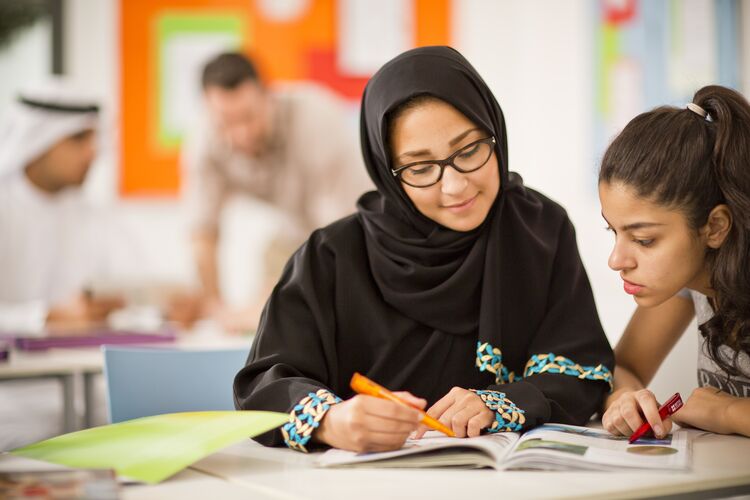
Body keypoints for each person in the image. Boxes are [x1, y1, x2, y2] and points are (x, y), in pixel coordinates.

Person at [234, 46, 614, 453]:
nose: (455, 186)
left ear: (494, 132)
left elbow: (579, 368)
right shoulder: (330, 257)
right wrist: (331, 421)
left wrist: (499, 403)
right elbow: (265, 384)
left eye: (469, 150)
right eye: (420, 168)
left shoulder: (540, 231)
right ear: (388, 171)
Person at [599, 85, 750, 439]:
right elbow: (625, 365)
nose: (616, 260)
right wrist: (625, 397)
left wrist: (728, 411)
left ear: (715, 227)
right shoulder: (686, 283)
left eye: (644, 240)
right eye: (613, 232)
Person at [182, 52, 371, 330]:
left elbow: (338, 236)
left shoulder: (315, 117)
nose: (240, 134)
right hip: (295, 232)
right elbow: (202, 231)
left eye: (248, 117)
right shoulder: (205, 139)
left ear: (268, 96)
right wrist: (216, 310)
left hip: (360, 234)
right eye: (226, 122)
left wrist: (273, 300)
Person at [0, 79, 125, 333]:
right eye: (78, 138)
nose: (92, 153)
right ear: (38, 142)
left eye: (93, 138)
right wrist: (44, 317)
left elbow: (129, 289)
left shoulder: (91, 214)